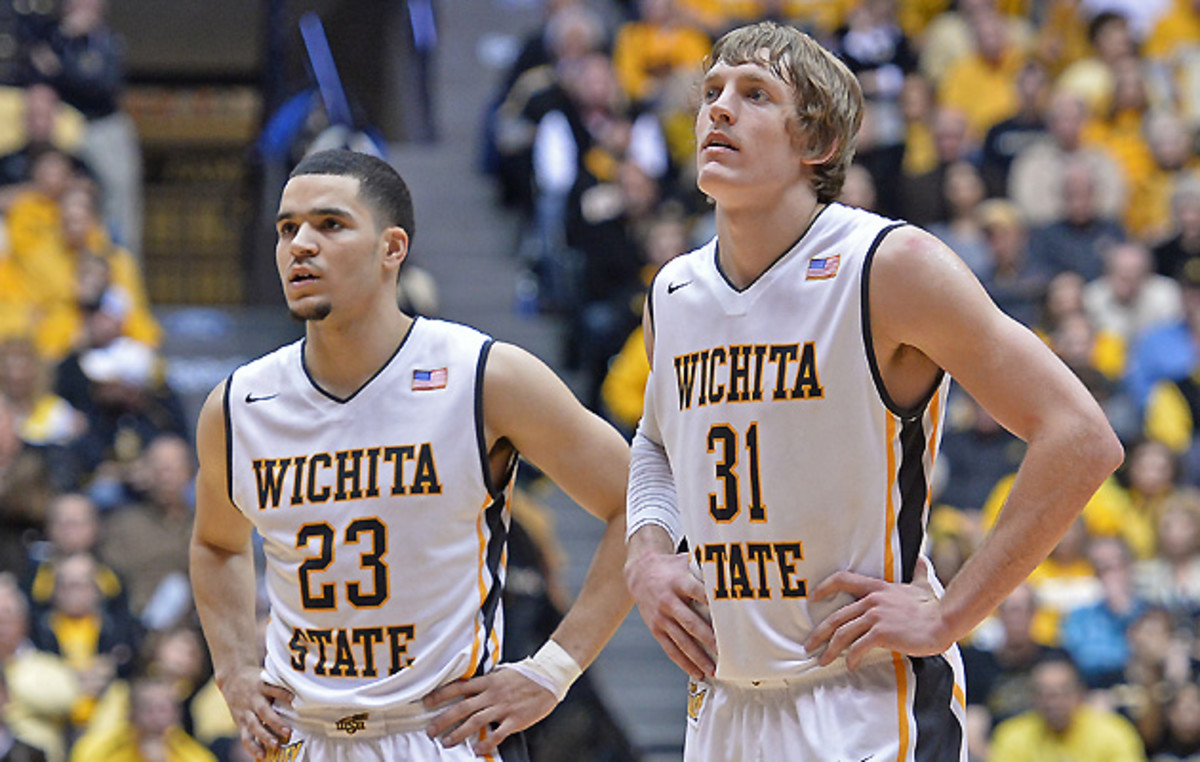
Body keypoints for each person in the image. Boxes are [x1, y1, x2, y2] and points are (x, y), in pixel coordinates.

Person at [623, 21, 1123, 762]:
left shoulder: (890, 265)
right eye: (712, 92)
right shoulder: (674, 291)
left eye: (754, 94)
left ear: (816, 143)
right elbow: (659, 441)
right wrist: (647, 554)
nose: (719, 109)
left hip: (864, 703)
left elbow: (1081, 436)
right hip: (724, 705)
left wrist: (951, 613)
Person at [189, 149, 632, 761]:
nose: (300, 245)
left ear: (392, 248)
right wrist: (235, 669)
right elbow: (216, 544)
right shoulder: (239, 404)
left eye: (330, 224)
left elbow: (640, 506)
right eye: (287, 228)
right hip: (304, 739)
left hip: (438, 735)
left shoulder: (483, 376)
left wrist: (553, 669)